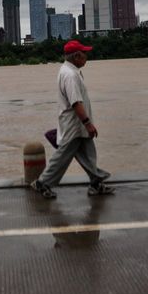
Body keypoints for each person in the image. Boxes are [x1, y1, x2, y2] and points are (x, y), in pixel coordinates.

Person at [30, 39, 114, 199]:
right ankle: (42, 183)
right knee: (63, 155)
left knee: (88, 154)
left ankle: (96, 183)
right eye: (85, 53)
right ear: (76, 56)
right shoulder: (70, 75)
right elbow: (76, 103)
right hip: (75, 124)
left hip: (78, 124)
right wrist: (88, 123)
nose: (87, 56)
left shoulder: (70, 71)